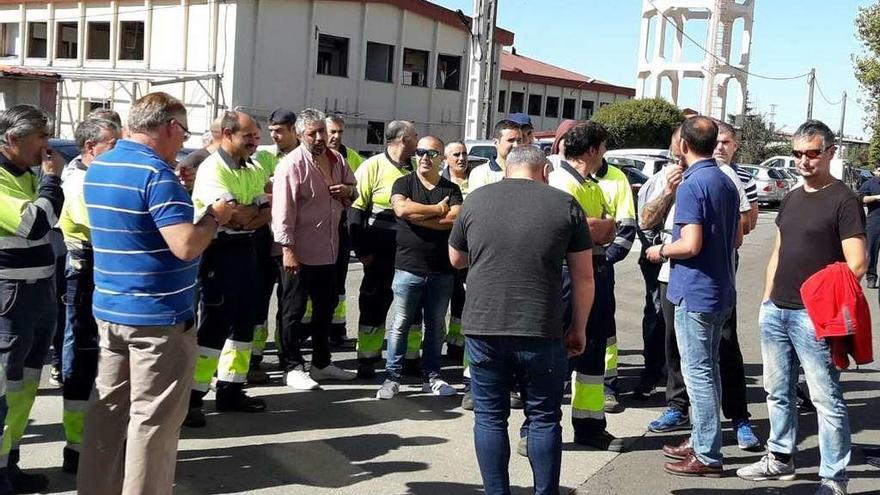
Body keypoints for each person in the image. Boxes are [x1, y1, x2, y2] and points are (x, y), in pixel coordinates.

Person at [78, 92, 234, 495]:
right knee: (153, 423)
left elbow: (134, 229)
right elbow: (185, 245)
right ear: (168, 126)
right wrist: (213, 217)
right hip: (158, 319)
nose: (182, 142)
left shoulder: (101, 166)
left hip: (111, 310)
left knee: (107, 413)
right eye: (182, 132)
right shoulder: (156, 175)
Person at [448, 145, 594, 495]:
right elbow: (585, 277)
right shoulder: (565, 205)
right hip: (541, 326)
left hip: (484, 326)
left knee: (489, 416)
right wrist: (579, 328)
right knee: (544, 418)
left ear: (506, 169)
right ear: (544, 172)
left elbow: (455, 259)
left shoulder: (476, 200)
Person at [737, 120, 866, 495]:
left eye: (812, 153)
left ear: (830, 153)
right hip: (777, 310)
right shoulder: (792, 197)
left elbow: (856, 263)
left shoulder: (843, 199)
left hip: (815, 318)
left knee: (825, 399)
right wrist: (766, 300)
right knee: (777, 391)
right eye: (797, 154)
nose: (804, 161)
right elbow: (778, 250)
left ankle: (834, 477)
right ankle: (779, 456)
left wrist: (820, 302)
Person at [645, 116, 739, 478]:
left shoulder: (692, 184)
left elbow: (690, 243)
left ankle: (707, 454)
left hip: (695, 291)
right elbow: (735, 239)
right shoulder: (725, 180)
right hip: (719, 288)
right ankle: (703, 439)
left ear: (683, 144)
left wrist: (662, 251)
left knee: (697, 372)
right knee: (708, 370)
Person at [184, 111, 271, 427]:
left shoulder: (253, 166)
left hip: (246, 248)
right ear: (227, 134)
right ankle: (193, 397)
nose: (254, 142)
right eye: (248, 135)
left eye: (255, 136)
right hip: (218, 251)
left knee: (245, 322)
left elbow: (263, 212)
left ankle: (231, 388)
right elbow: (229, 215)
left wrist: (248, 214)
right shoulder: (212, 168)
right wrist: (248, 214)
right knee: (215, 325)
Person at [0, 104, 66, 493]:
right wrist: (51, 182)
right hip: (11, 295)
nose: (47, 145)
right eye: (41, 136)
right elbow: (35, 223)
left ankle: (11, 463)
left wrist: (46, 187)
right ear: (12, 139)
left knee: (25, 386)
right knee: (5, 386)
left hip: (39, 290)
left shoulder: (27, 174)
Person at [273, 109, 358, 390]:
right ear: (299, 135)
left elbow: (352, 190)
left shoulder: (337, 160)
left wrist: (347, 191)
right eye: (313, 133)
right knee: (293, 311)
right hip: (299, 251)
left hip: (330, 250)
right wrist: (288, 250)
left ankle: (321, 363)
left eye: (322, 131)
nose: (320, 138)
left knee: (326, 308)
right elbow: (282, 212)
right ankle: (292, 366)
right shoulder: (291, 165)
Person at [547, 122, 619, 451]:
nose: (604, 153)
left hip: (596, 270)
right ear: (591, 149)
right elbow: (586, 228)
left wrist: (601, 227)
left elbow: (607, 226)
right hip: (568, 274)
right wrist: (601, 226)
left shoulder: (589, 183)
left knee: (592, 353)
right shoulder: (561, 180)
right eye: (602, 147)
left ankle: (590, 427)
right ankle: (539, 429)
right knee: (560, 350)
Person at [58, 117, 122, 473]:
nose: (120, 151)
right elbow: (106, 224)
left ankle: (100, 442)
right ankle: (76, 448)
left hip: (104, 276)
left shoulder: (99, 175)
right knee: (82, 361)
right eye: (113, 145)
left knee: (107, 361)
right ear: (90, 149)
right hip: (84, 279)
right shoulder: (80, 181)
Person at [377, 136, 462, 399]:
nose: (424, 157)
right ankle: (392, 377)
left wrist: (420, 217)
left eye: (432, 153)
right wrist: (436, 209)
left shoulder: (451, 188)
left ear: (442, 158)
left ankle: (432, 377)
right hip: (407, 268)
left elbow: (454, 217)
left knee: (436, 326)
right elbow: (401, 209)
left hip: (441, 270)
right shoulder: (404, 182)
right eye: (420, 152)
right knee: (400, 324)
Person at [350, 120, 418, 378]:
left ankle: (411, 358)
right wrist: (362, 251)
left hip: (410, 252)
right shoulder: (372, 166)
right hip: (379, 251)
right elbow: (355, 212)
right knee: (374, 303)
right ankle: (367, 359)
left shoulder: (415, 167)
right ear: (402, 139)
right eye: (414, 136)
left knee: (413, 304)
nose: (417, 140)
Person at [251, 108, 299, 376]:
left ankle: (287, 355)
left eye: (280, 131)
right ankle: (255, 356)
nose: (275, 136)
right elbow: (260, 190)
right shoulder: (262, 156)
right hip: (263, 239)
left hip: (289, 243)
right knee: (259, 300)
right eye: (272, 131)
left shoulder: (303, 157)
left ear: (293, 130)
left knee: (289, 302)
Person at [592, 156, 637, 413]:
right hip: (564, 269)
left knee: (604, 328)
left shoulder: (616, 178)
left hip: (600, 268)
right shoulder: (559, 174)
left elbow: (627, 226)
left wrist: (606, 260)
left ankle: (608, 386)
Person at [325, 114, 364, 346]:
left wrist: (348, 191)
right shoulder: (313, 155)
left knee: (339, 282)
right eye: (332, 131)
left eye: (340, 132)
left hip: (342, 225)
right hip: (317, 229)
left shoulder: (352, 157)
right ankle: (306, 329)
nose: (336, 136)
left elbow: (358, 190)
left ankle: (337, 330)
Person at [441, 140, 470, 358]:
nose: (461, 158)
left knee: (462, 298)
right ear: (445, 159)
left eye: (464, 154)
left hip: (468, 249)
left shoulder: (475, 180)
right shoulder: (440, 182)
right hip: (442, 247)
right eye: (456, 155)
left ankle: (456, 343)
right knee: (439, 299)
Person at [468, 119, 521, 191]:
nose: (516, 145)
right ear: (496, 142)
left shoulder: (528, 171)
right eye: (510, 140)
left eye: (519, 140)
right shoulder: (481, 173)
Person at [858, 164, 880, 288]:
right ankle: (871, 277)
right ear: (875, 171)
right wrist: (876, 197)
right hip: (875, 222)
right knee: (872, 251)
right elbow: (860, 198)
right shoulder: (870, 184)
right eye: (879, 170)